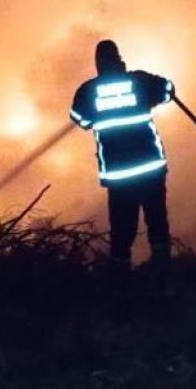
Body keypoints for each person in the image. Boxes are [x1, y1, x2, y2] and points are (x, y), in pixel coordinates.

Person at [70, 39, 176, 270]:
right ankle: (163, 267)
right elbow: (168, 90)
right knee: (157, 218)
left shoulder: (88, 91)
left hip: (119, 175)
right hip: (150, 167)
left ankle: (120, 273)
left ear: (98, 63)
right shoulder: (139, 80)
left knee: (122, 225)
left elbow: (80, 119)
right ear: (119, 59)